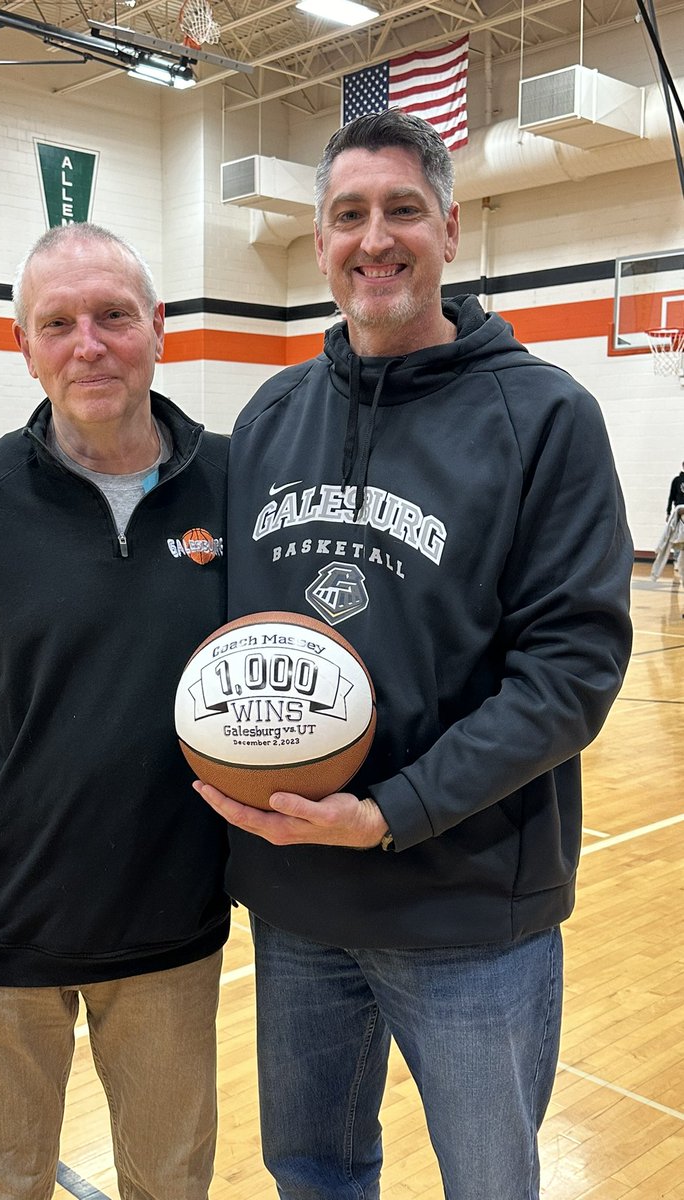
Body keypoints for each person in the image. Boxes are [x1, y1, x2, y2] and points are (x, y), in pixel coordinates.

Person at [196, 109, 634, 1200]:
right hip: (298, 901)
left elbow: (571, 670)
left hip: (467, 907)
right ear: (319, 242)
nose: (374, 239)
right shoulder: (272, 415)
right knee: (312, 1171)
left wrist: (392, 813)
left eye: (401, 210)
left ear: (449, 227)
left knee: (489, 1183)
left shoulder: (544, 416)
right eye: (349, 214)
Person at [0, 221, 229, 1200]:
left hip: (173, 928)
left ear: (157, 327)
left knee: (171, 1182)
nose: (89, 343)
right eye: (57, 322)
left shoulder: (239, 484)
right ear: (22, 346)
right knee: (0, 1184)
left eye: (113, 315)